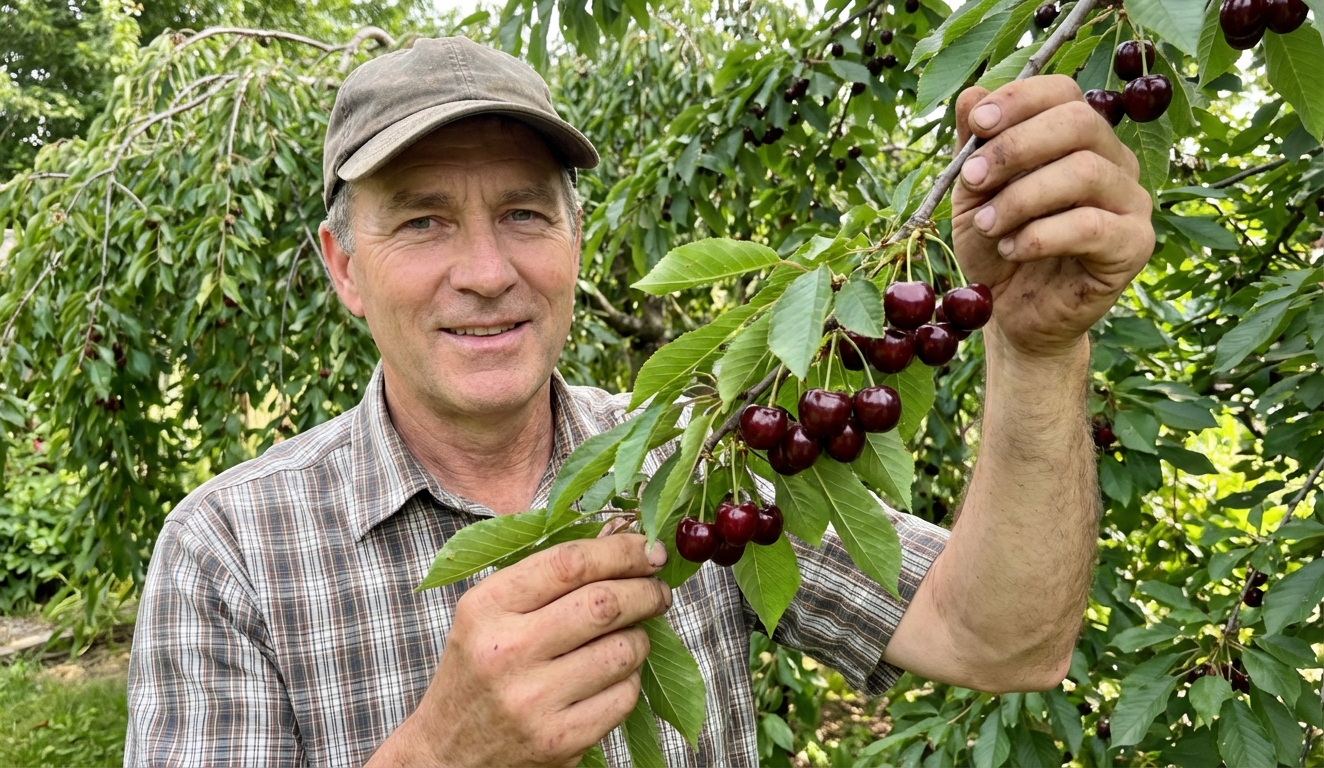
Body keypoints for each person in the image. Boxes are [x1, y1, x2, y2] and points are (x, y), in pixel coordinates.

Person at [125, 35, 1154, 768]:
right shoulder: (229, 551)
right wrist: (441, 754)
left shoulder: (701, 462)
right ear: (345, 267)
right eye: (423, 222)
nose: (484, 272)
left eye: (524, 214)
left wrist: (1037, 347)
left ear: (575, 243)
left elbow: (1002, 638)